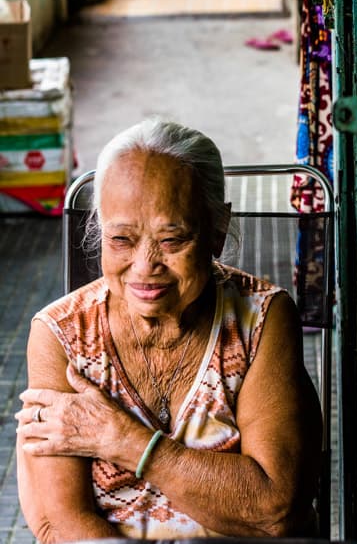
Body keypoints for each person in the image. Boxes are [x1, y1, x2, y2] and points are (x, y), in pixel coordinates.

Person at [15, 118, 323, 541]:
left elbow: (274, 509)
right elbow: (62, 522)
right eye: (122, 239)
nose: (145, 268)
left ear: (216, 230)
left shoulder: (263, 319)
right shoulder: (61, 334)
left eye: (171, 240)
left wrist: (123, 440)